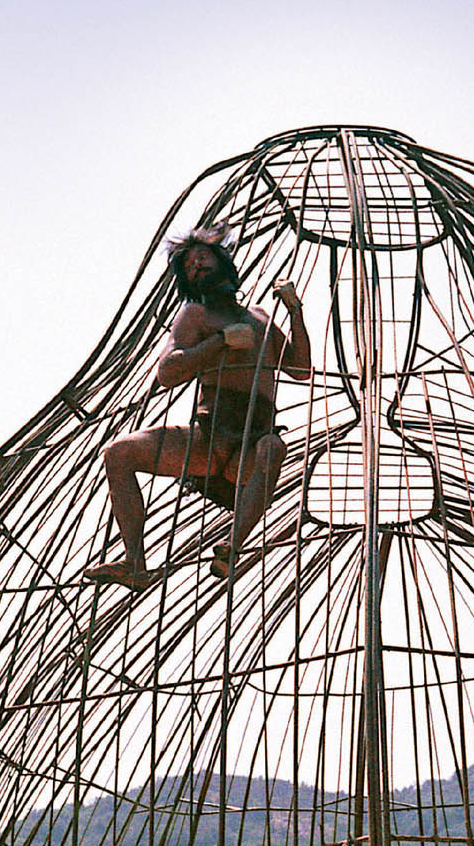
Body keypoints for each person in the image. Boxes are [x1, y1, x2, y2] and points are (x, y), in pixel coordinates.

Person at [82, 226, 312, 591]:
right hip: (209, 438)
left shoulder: (261, 317)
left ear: (223, 261)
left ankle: (233, 548)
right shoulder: (195, 316)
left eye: (203, 257)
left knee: (274, 448)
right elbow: (167, 371)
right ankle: (134, 562)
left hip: (251, 444)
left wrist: (295, 311)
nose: (198, 265)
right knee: (117, 452)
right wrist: (219, 343)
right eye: (189, 265)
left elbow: (301, 369)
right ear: (185, 280)